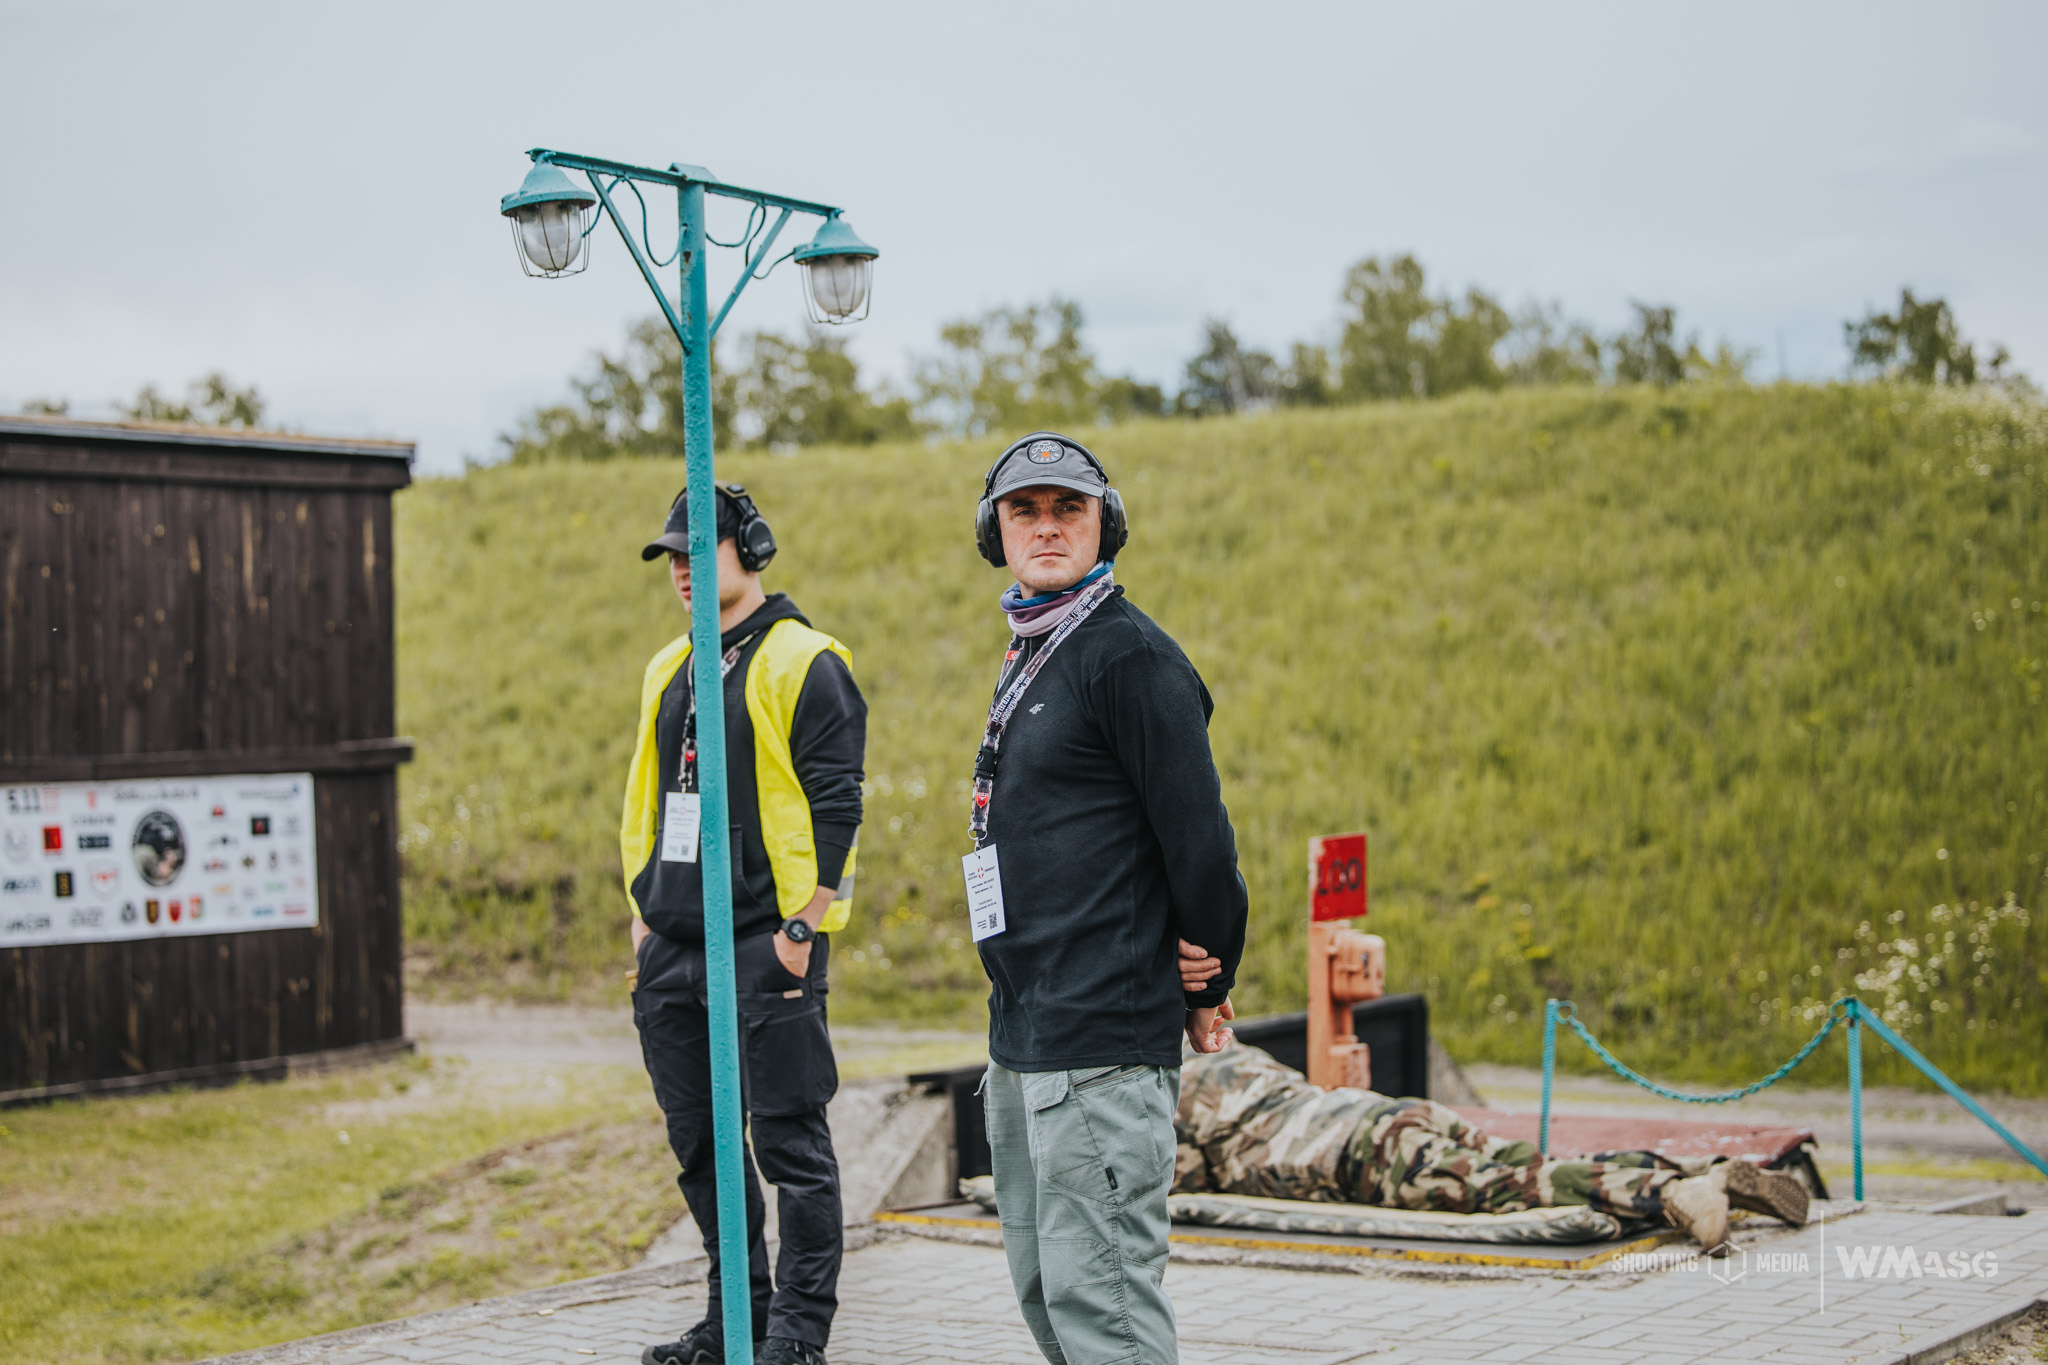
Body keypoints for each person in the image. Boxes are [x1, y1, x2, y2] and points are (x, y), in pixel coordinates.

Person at [965, 432, 1250, 1365]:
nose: (1046, 527)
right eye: (1025, 510)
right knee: (1050, 1297)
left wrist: (1207, 979)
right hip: (1027, 1034)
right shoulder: (1039, 650)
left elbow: (1199, 841)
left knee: (1108, 1314)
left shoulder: (1128, 655)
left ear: (1105, 524)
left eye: (1068, 509)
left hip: (1100, 1038)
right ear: (996, 531)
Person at [624, 485, 866, 1365]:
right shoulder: (669, 666)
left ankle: (798, 1337)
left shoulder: (806, 660)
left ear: (751, 548)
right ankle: (738, 1317)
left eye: (699, 551)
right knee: (704, 1152)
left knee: (792, 1147)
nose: (683, 569)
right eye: (673, 557)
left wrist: (800, 933)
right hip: (674, 950)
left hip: (768, 947)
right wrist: (644, 926)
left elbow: (840, 808)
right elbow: (647, 804)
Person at [1174, 1043, 1810, 1252]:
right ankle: (1713, 1171)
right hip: (1391, 1116)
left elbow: (1178, 1177)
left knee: (1520, 1189)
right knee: (1533, 1165)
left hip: (1360, 1160)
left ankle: (1675, 1193)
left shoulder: (1170, 1095)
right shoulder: (1227, 1054)